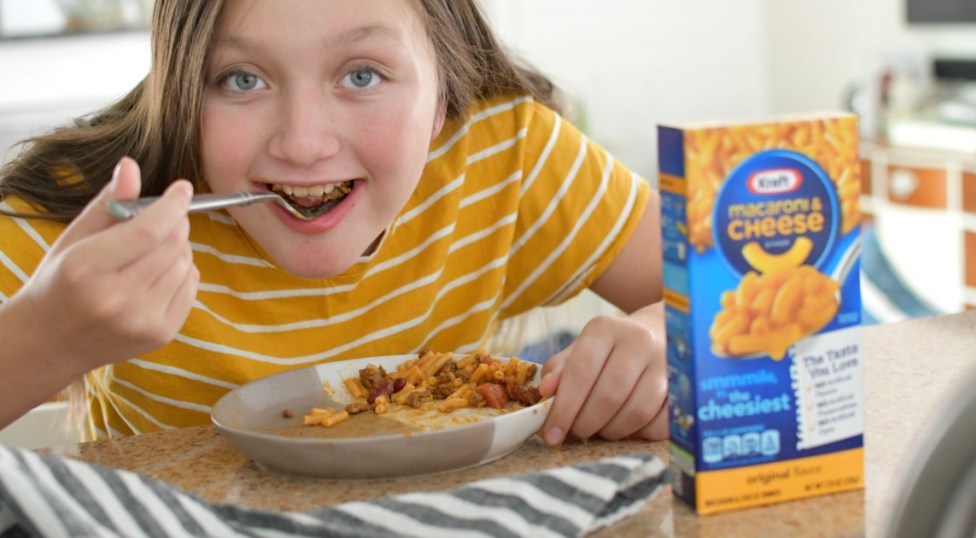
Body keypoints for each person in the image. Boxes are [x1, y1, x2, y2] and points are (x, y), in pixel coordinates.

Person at [0, 0, 666, 447]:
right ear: (178, 90)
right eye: (241, 81)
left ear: (441, 97)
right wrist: (47, 337)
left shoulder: (504, 157)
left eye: (363, 74)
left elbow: (740, 294)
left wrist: (662, 343)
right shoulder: (96, 214)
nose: (304, 144)